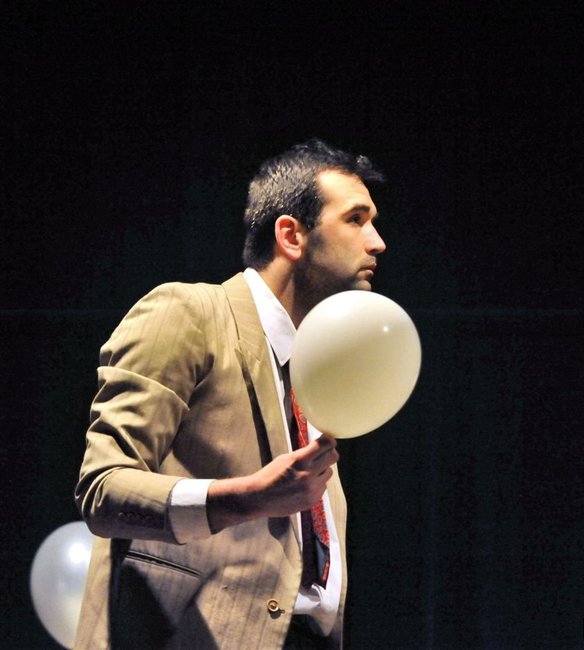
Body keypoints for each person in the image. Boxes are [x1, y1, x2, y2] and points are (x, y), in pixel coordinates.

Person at [74, 139, 386, 649]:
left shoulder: (314, 370)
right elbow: (102, 490)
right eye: (356, 220)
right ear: (291, 236)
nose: (377, 243)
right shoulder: (188, 313)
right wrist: (246, 498)